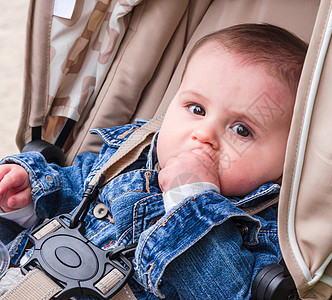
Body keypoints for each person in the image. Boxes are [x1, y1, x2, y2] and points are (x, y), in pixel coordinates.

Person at [0, 23, 308, 299]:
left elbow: (226, 290)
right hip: (20, 272)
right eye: (196, 109)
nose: (203, 135)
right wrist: (27, 199)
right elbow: (76, 186)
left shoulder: (263, 230)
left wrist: (190, 199)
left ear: (286, 164)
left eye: (242, 130)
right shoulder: (130, 154)